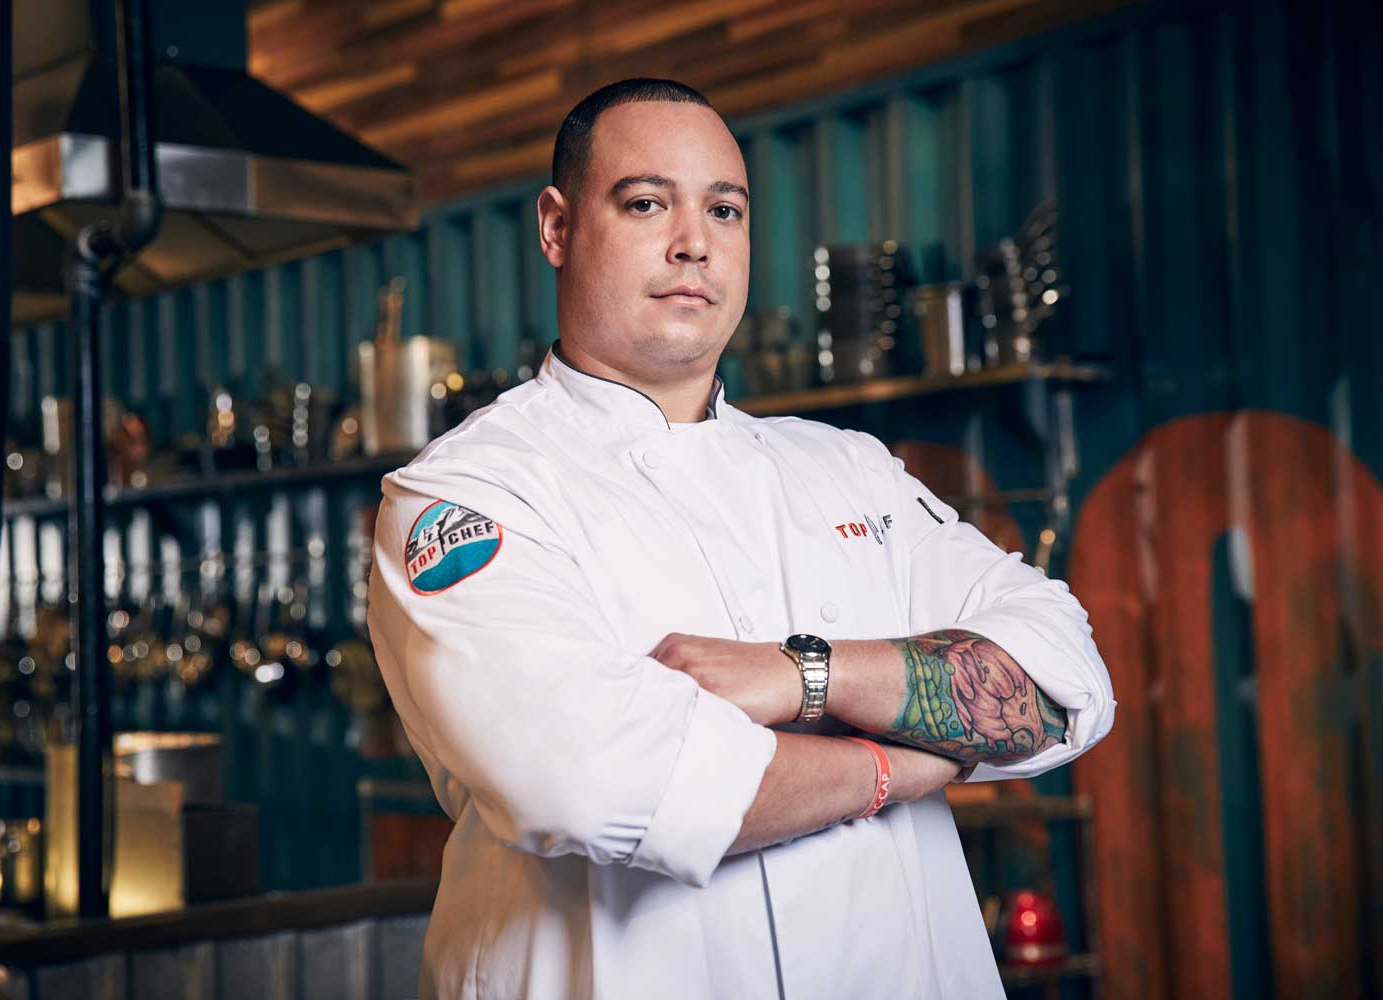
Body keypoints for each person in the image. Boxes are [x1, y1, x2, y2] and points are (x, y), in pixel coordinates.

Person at [366, 78, 1116, 1000]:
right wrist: (897, 764)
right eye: (647, 203)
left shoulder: (850, 470)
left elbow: (1064, 680)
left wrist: (805, 675)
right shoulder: (468, 492)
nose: (695, 242)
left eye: (724, 209)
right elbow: (596, 781)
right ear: (557, 228)